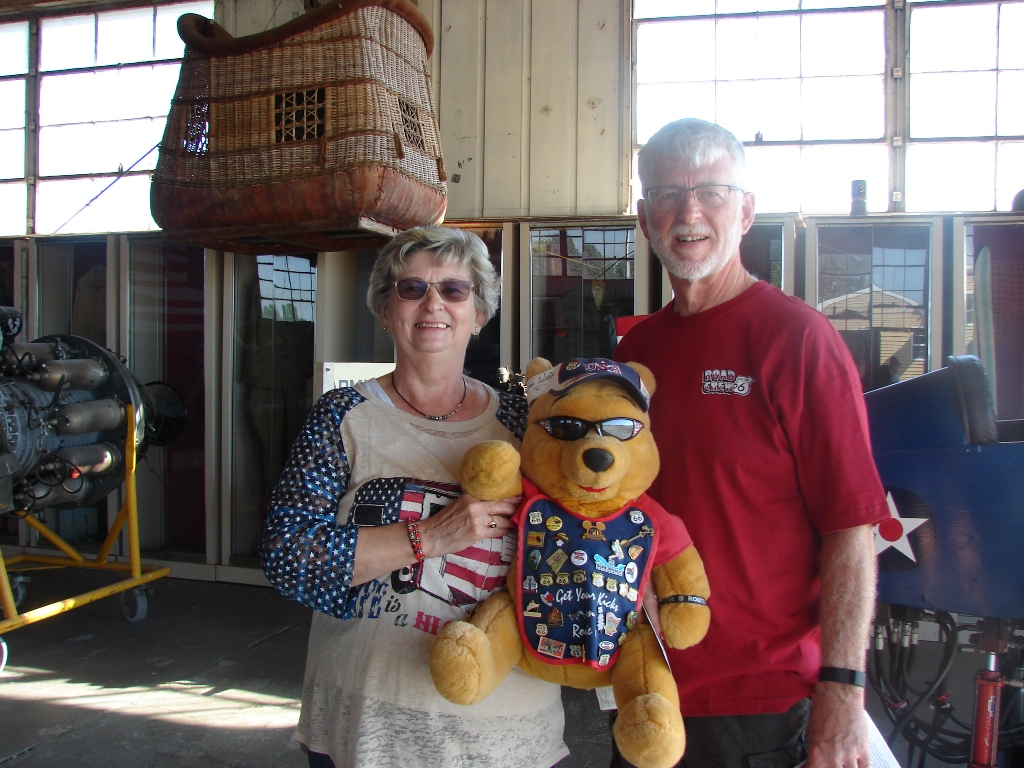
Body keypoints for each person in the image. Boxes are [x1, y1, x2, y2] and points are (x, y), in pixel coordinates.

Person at [612, 119, 890, 768]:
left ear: (745, 212)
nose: (689, 212)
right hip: (646, 688)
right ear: (646, 218)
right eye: (668, 193)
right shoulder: (635, 352)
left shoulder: (798, 340)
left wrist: (843, 688)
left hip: (761, 702)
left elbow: (851, 529)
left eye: (711, 191)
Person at [260, 226, 568, 768]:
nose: (433, 303)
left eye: (454, 289)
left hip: (508, 733)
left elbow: (585, 523)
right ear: (385, 309)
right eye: (411, 288)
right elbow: (289, 557)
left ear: (479, 313)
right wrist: (430, 535)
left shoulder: (524, 420)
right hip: (367, 729)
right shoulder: (342, 416)